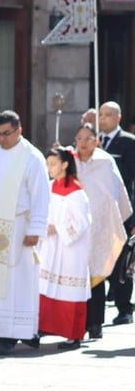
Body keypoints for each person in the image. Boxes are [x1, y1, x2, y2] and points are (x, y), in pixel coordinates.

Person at [0, 111, 50, 356]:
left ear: (19, 130)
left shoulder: (31, 157)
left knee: (18, 283)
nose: (1, 139)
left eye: (6, 134)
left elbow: (41, 196)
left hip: (19, 228)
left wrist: (36, 229)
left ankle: (18, 333)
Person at [72, 123, 131, 339]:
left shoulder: (106, 162)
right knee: (76, 274)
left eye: (89, 139)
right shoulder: (70, 160)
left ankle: (95, 323)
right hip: (75, 228)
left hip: (100, 227)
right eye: (80, 138)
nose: (84, 143)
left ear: (97, 141)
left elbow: (117, 192)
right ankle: (75, 323)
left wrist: (122, 221)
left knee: (96, 273)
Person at [38, 147, 92, 350]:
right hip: (50, 246)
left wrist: (58, 228)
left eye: (53, 164)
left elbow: (81, 222)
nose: (49, 168)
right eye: (48, 164)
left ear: (65, 165)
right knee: (44, 285)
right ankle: (44, 327)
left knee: (69, 290)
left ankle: (73, 334)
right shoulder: (50, 186)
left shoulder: (77, 191)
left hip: (71, 249)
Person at [97, 101, 135, 325]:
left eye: (108, 115)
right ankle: (95, 315)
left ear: (118, 117)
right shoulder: (92, 142)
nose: (103, 119)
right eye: (100, 114)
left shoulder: (129, 143)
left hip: (122, 210)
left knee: (121, 262)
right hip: (98, 213)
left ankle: (124, 308)